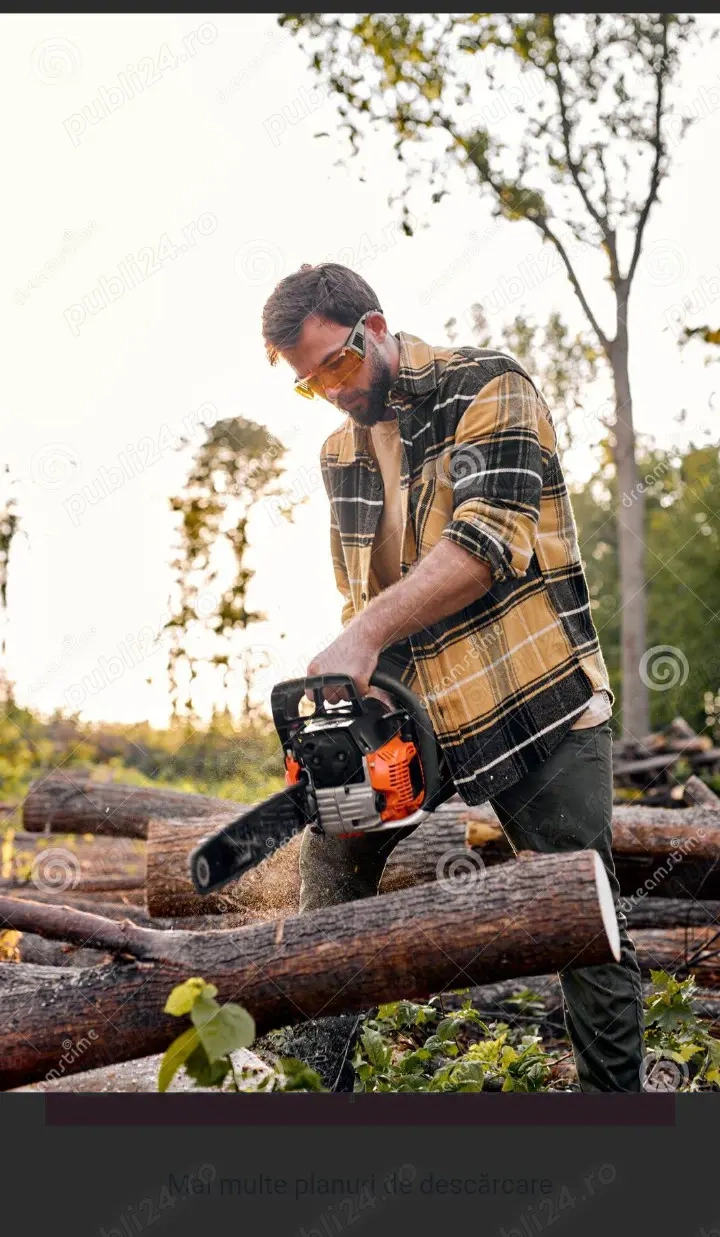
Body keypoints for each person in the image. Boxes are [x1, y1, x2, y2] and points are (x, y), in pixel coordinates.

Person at [260, 262, 645, 1093]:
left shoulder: (488, 388)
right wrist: (355, 706)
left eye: (337, 365)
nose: (330, 389)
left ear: (376, 326)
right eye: (309, 382)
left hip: (533, 698)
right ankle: (303, 1094)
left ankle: (620, 1120)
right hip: (422, 714)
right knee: (331, 869)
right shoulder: (340, 454)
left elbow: (486, 548)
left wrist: (360, 634)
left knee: (582, 911)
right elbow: (367, 592)